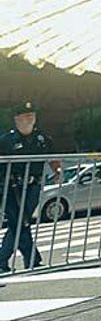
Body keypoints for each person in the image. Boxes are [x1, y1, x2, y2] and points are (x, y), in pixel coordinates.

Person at [0, 102, 59, 273]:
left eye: (32, 115)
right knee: (19, 223)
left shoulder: (42, 139)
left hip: (33, 185)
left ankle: (25, 259)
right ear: (17, 120)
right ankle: (28, 259)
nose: (30, 118)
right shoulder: (6, 141)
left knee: (20, 223)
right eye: (26, 116)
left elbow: (53, 157)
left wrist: (57, 170)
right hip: (10, 188)